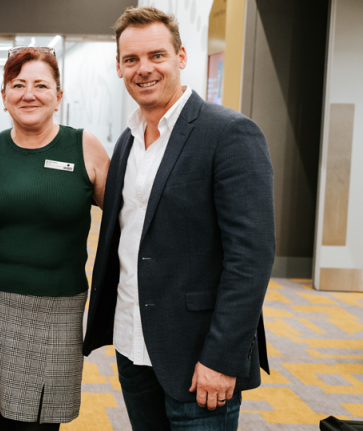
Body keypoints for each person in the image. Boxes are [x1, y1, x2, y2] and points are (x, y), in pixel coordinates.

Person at [82, 6, 275, 431]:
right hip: (134, 346)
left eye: (157, 55)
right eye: (131, 59)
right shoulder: (127, 142)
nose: (143, 69)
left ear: (181, 58)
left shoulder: (229, 134)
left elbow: (252, 257)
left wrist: (222, 358)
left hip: (199, 358)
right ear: (118, 67)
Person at [0, 47, 109, 430]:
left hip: (57, 307)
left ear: (58, 97)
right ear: (3, 96)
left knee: (43, 420)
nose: (28, 94)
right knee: (1, 414)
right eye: (17, 85)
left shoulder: (84, 146)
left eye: (41, 85)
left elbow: (123, 219)